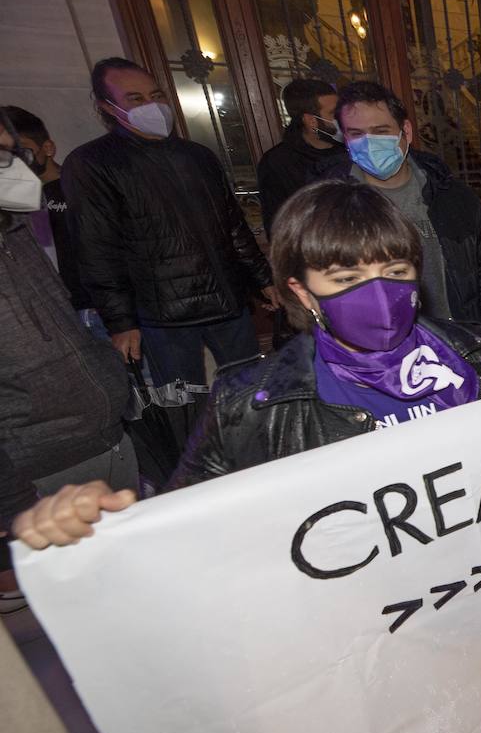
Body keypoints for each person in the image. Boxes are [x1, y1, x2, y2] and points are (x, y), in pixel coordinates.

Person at [11, 181, 481, 548]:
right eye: (345, 279)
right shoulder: (253, 402)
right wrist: (99, 521)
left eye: (395, 273)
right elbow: (187, 522)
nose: (379, 293)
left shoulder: (471, 351)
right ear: (303, 292)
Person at [62, 57, 276, 387]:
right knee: (185, 404)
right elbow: (96, 250)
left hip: (226, 302)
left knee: (250, 392)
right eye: (135, 99)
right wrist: (120, 322)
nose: (152, 105)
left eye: (157, 95)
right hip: (163, 315)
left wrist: (263, 279)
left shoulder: (198, 156)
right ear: (107, 107)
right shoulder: (92, 164)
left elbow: (233, 226)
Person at [0, 111, 134, 612]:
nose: (17, 166)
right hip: (41, 470)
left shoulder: (13, 232)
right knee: (93, 609)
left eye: (15, 151)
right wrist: (15, 508)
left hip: (104, 436)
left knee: (136, 587)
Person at [317, 80, 481, 340]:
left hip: (456, 340)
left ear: (406, 131)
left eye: (381, 131)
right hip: (378, 349)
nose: (370, 143)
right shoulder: (329, 207)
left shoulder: (453, 197)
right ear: (345, 138)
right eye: (357, 134)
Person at [2, 105, 92, 318]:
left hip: (97, 309)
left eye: (21, 149)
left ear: (48, 148)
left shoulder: (81, 187)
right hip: (61, 313)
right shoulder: (16, 204)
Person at [256, 78, 342, 236]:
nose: (342, 118)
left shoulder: (353, 149)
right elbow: (279, 227)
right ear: (311, 121)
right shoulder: (277, 163)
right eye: (334, 114)